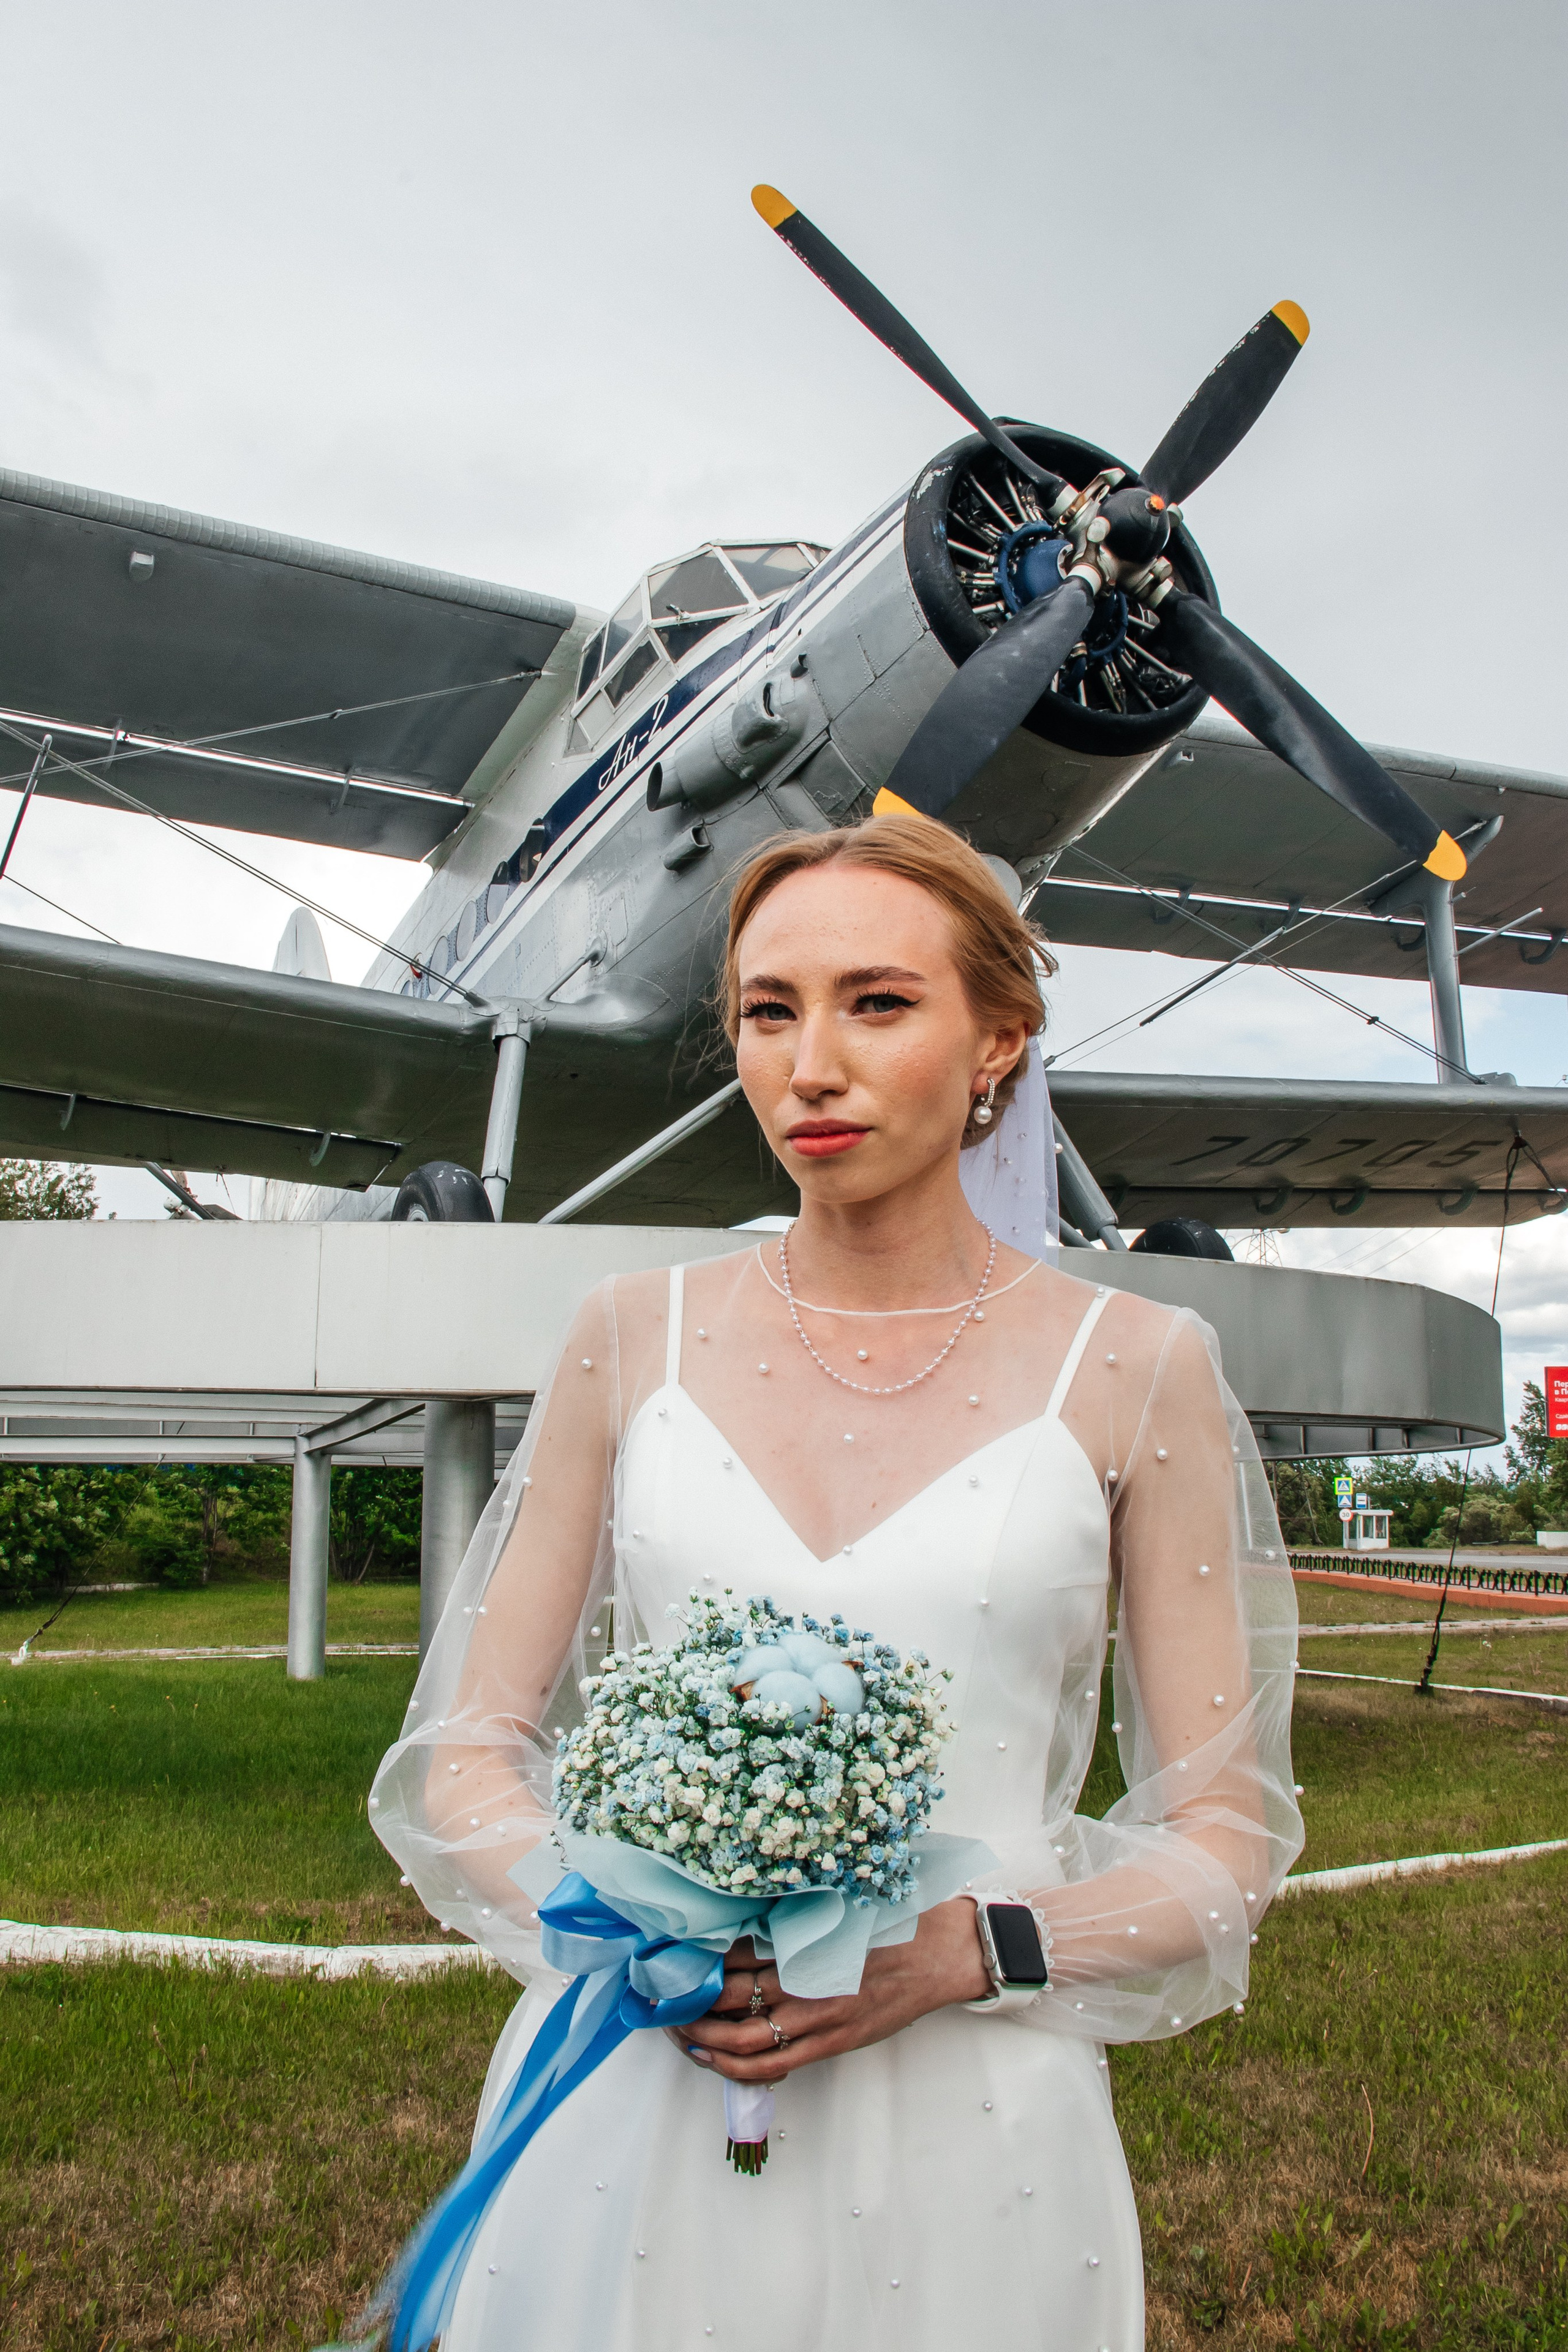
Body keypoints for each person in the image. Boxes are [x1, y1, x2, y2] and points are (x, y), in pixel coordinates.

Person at [371, 813, 1303, 2352]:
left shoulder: (1139, 1366)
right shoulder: (627, 1332)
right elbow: (468, 1749)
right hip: (641, 2084)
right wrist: (626, 1925)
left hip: (974, 2114)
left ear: (997, 1039)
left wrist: (970, 1950)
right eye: (765, 1009)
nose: (809, 1062)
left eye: (876, 1002)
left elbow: (1225, 1834)